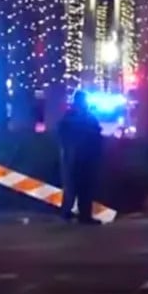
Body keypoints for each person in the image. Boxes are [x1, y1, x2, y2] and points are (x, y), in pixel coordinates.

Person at [58, 90, 104, 224]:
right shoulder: (73, 118)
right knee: (74, 187)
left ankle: (81, 214)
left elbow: (97, 135)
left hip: (83, 157)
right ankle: (71, 213)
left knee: (83, 187)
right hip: (76, 157)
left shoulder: (81, 117)